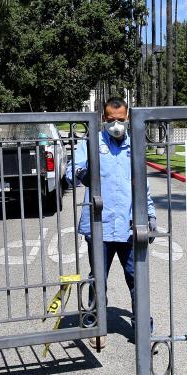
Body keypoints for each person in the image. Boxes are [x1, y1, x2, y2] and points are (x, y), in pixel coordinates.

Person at [65, 97, 156, 333]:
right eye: (111, 119)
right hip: (99, 226)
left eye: (121, 119)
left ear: (127, 119)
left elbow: (142, 185)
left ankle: (143, 331)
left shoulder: (134, 145)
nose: (116, 124)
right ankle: (96, 324)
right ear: (104, 119)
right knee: (98, 279)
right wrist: (81, 172)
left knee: (137, 279)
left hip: (129, 227)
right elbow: (69, 174)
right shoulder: (91, 143)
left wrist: (151, 215)